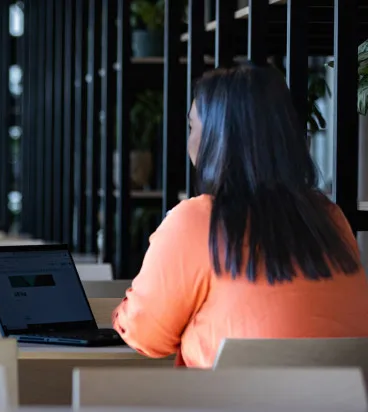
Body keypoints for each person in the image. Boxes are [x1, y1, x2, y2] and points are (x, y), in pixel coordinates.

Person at [112, 64, 368, 368]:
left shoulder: (198, 220)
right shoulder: (329, 217)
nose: (189, 142)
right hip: (342, 411)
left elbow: (146, 336)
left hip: (235, 410)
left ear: (218, 138)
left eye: (192, 128)